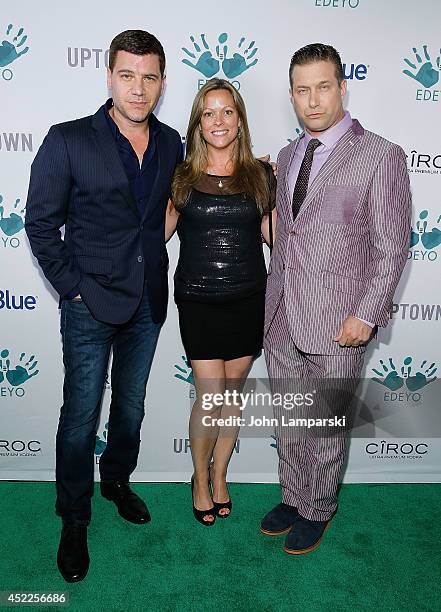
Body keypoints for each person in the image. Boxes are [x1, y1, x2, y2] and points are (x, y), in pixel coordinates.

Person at [25, 30, 182, 582]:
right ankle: (73, 517)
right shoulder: (67, 139)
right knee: (79, 417)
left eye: (150, 77)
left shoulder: (171, 144)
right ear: (109, 75)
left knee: (132, 407)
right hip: (88, 305)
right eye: (128, 75)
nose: (138, 89)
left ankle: (116, 480)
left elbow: (167, 214)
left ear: (162, 82)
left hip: (146, 301)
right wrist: (73, 288)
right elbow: (40, 225)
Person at [261, 43, 411, 554]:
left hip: (339, 322)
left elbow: (393, 246)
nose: (313, 99)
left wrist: (366, 315)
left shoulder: (380, 155)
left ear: (343, 88)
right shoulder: (287, 156)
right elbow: (289, 232)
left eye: (324, 86)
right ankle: (294, 496)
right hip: (283, 314)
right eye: (302, 90)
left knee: (324, 424)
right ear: (292, 96)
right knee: (290, 418)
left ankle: (319, 509)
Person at [165, 78, 276, 525]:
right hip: (199, 299)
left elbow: (272, 237)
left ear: (240, 119)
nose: (218, 120)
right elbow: (158, 234)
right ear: (197, 122)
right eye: (209, 113)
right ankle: (198, 476)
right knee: (210, 396)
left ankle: (221, 476)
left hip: (249, 297)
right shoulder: (181, 176)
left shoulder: (262, 174)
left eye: (227, 111)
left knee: (232, 395)